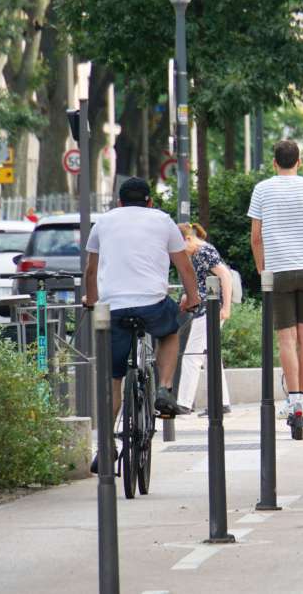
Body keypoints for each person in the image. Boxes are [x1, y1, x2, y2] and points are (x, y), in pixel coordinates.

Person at [83, 178, 200, 472]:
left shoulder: (103, 223)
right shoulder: (163, 221)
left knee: (113, 379)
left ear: (119, 202)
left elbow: (91, 270)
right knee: (170, 331)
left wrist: (92, 301)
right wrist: (194, 298)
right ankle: (163, 388)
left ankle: (106, 447)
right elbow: (184, 266)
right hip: (152, 303)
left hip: (114, 307)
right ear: (150, 202)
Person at [248, 140, 303, 433]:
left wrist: (263, 270)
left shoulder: (262, 190)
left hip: (279, 271)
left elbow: (256, 237)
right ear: (299, 162)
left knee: (287, 339)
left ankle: (293, 400)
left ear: (275, 162)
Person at [175, 223, 233, 416]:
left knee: (192, 356)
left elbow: (224, 274)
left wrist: (225, 307)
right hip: (208, 307)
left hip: (211, 309)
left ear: (188, 239)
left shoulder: (202, 251)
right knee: (210, 357)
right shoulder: (198, 252)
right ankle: (221, 402)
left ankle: (184, 403)